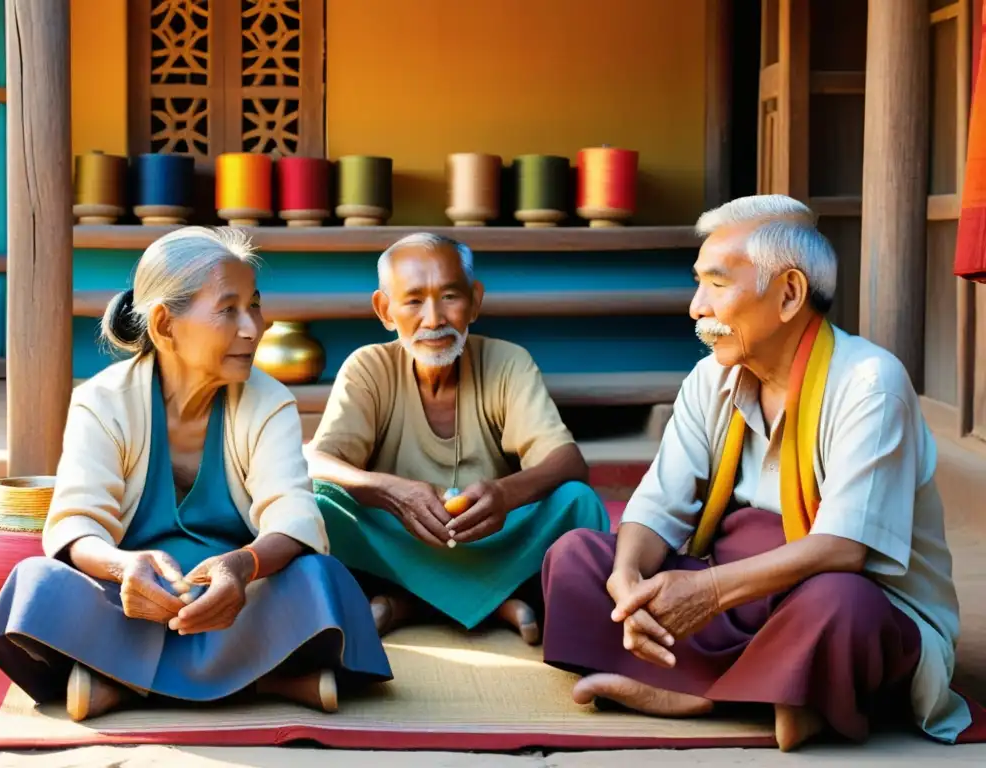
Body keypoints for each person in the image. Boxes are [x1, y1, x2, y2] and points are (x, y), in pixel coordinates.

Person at [541, 195, 968, 752]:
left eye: (716, 285)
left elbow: (843, 549)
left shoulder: (870, 382)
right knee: (573, 557)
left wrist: (708, 591)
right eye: (698, 284)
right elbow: (657, 506)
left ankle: (708, 695)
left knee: (843, 608)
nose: (696, 307)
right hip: (732, 589)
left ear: (788, 293)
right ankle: (778, 695)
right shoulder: (708, 378)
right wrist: (627, 581)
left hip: (830, 593)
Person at [0, 227, 392, 722]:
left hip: (240, 603)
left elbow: (295, 518)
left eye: (254, 306)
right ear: (164, 324)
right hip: (131, 604)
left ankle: (124, 684)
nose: (253, 327)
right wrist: (121, 568)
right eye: (228, 309)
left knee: (320, 579)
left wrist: (241, 568)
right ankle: (269, 681)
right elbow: (75, 525)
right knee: (36, 584)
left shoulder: (269, 402)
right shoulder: (102, 401)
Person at [306, 232, 609, 644]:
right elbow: (317, 461)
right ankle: (496, 602)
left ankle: (408, 602)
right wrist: (394, 492)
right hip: (400, 537)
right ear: (385, 310)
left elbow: (569, 462)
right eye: (413, 301)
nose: (434, 319)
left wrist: (504, 495)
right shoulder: (369, 367)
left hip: (492, 535)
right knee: (318, 503)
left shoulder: (508, 362)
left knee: (579, 502)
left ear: (475, 300)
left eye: (450, 296)